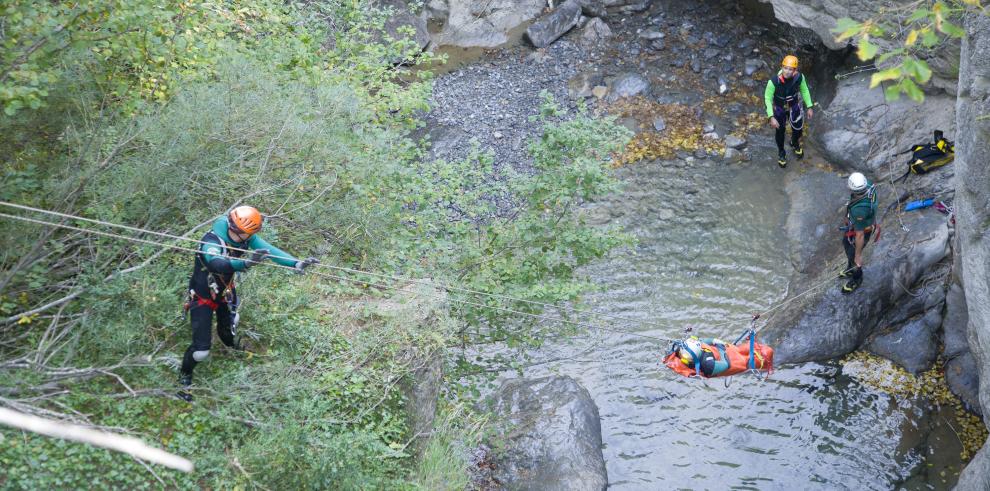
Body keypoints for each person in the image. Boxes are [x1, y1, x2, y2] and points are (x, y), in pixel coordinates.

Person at [179, 206, 319, 398]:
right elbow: (215, 262)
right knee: (201, 351)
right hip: (203, 296)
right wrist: (244, 264)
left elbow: (269, 250)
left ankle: (229, 345)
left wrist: (296, 263)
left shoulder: (246, 236)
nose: (250, 238)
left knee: (230, 325)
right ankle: (185, 376)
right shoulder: (211, 240)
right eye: (248, 234)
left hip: (225, 290)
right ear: (235, 228)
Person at [764, 55, 815, 168]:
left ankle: (794, 142)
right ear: (782, 67)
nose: (787, 71)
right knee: (780, 131)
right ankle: (781, 152)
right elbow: (767, 98)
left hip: (794, 106)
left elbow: (804, 90)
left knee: (798, 129)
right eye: (785, 68)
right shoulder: (773, 81)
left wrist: (810, 106)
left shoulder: (799, 78)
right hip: (779, 109)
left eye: (790, 69)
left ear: (795, 70)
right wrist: (771, 117)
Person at [839, 172, 877, 293]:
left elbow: (860, 235)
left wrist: (858, 255)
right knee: (845, 242)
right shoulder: (868, 186)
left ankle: (857, 278)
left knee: (852, 254)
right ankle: (850, 267)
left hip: (862, 230)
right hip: (861, 223)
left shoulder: (860, 210)